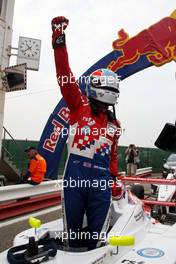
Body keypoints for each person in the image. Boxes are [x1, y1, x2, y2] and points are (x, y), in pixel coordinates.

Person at [51, 16, 121, 250]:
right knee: (72, 239)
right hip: (74, 180)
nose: (109, 93)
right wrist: (58, 39)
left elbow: (112, 157)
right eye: (107, 88)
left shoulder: (115, 124)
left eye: (112, 89)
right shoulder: (78, 105)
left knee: (97, 241)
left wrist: (114, 181)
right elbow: (64, 74)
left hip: (101, 184)